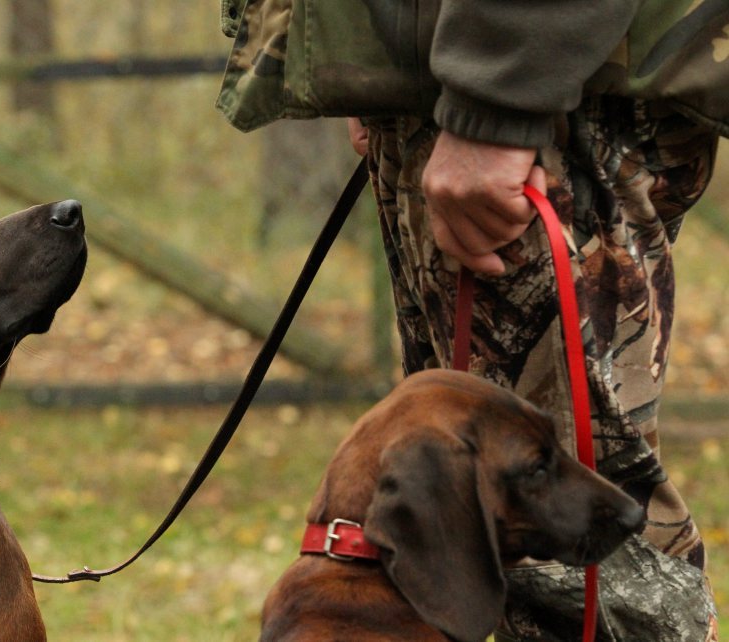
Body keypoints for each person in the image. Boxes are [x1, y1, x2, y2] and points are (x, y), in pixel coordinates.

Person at [217, 1, 725, 640]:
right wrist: (374, 60)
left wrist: (496, 100)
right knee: (461, 544)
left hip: (533, 85)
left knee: (582, 577)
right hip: (458, 81)